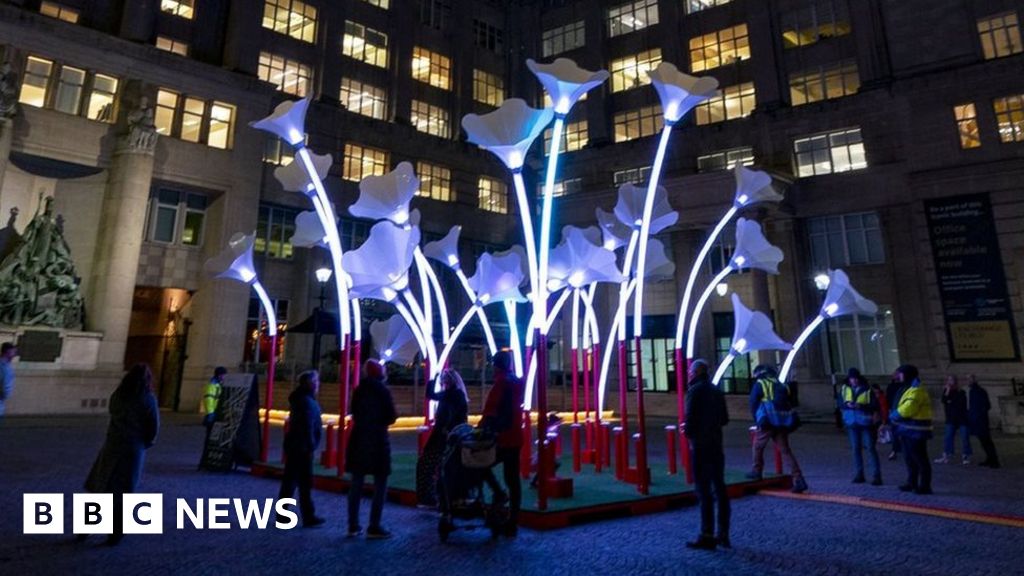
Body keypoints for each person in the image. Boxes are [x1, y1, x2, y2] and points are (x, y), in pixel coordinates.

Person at [82, 364, 159, 545]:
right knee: (123, 492)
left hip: (112, 445)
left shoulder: (118, 396)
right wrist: (146, 442)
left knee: (100, 487)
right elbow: (153, 427)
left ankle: (85, 527)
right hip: (133, 448)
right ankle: (115, 533)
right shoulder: (148, 399)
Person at [683, 359, 731, 550]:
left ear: (695, 373)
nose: (688, 374)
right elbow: (725, 419)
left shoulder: (694, 391)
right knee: (720, 488)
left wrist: (689, 432)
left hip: (701, 447)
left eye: (689, 371)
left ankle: (706, 534)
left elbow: (690, 419)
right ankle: (723, 533)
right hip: (716, 445)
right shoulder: (716, 391)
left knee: (704, 490)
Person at [346, 359, 397, 539]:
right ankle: (374, 525)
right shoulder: (383, 391)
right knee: (380, 484)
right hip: (378, 441)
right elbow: (391, 416)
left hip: (359, 439)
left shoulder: (359, 390)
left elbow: (353, 411)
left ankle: (353, 525)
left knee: (356, 483)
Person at [480, 350, 525, 537]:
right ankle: (512, 520)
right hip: (515, 435)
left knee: (480, 464)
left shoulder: (501, 383)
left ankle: (498, 493)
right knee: (513, 479)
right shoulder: (515, 381)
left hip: (502, 436)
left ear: (496, 365)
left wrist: (482, 427)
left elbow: (491, 409)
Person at [747, 364, 807, 493]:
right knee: (785, 451)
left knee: (758, 446)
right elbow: (791, 401)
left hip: (766, 421)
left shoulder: (760, 383)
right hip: (781, 421)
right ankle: (798, 479)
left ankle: (757, 471)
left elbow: (753, 402)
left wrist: (758, 420)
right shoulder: (782, 384)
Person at [415, 368, 469, 507]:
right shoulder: (455, 394)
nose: (443, 382)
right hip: (448, 435)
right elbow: (431, 395)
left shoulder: (452, 395)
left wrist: (434, 377)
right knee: (438, 465)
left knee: (429, 464)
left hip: (445, 436)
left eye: (445, 379)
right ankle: (437, 496)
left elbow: (431, 395)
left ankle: (431, 496)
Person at [277, 370, 325, 527]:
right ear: (310, 383)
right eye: (316, 381)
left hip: (297, 444)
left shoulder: (301, 399)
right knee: (301, 482)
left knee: (294, 481)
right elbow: (308, 425)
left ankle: (287, 515)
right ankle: (305, 515)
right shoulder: (306, 401)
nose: (318, 384)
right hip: (302, 446)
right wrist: (311, 444)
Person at [890, 365, 933, 495]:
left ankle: (925, 486)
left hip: (916, 430)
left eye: (901, 373)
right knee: (909, 458)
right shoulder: (906, 388)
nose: (899, 375)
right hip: (907, 430)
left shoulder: (916, 389)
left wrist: (893, 415)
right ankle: (912, 482)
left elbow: (908, 408)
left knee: (920, 458)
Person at [840, 368, 882, 485]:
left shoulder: (867, 390)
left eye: (855, 378)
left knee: (870, 448)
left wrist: (861, 406)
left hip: (865, 422)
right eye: (852, 378)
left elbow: (875, 405)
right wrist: (847, 404)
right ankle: (860, 474)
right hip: (852, 422)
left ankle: (876, 475)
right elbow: (840, 402)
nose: (854, 381)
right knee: (856, 449)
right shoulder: (844, 389)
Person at [936, 375, 971, 465]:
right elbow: (944, 400)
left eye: (952, 380)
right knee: (948, 437)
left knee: (964, 438)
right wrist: (947, 392)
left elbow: (959, 403)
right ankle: (946, 455)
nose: (950, 382)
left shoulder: (961, 392)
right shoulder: (946, 391)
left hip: (962, 418)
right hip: (951, 418)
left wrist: (950, 401)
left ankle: (965, 455)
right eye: (949, 380)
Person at [966, 375, 1000, 468]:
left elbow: (982, 406)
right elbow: (986, 405)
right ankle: (990, 459)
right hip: (980, 420)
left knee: (986, 441)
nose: (967, 381)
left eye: (968, 380)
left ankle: (994, 461)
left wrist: (974, 416)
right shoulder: (977, 391)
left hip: (979, 421)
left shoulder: (976, 391)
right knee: (985, 442)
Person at [885, 376, 906, 461]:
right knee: (895, 432)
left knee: (902, 433)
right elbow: (888, 398)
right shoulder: (891, 386)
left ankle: (900, 450)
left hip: (901, 411)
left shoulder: (903, 386)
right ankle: (895, 450)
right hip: (894, 410)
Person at [0, 342, 17, 418]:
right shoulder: (5, 367)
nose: (14, 355)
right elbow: (5, 386)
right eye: (13, 352)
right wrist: (5, 394)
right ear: (8, 352)